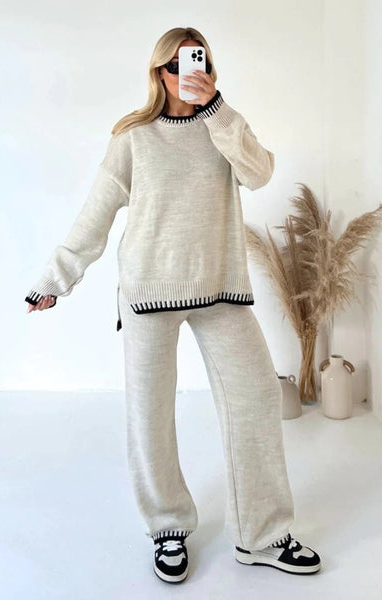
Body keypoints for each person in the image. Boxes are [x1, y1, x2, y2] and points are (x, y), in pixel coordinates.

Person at [25, 26, 321, 584]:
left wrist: (217, 110)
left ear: (208, 67)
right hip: (149, 292)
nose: (188, 73)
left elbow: (260, 173)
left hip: (220, 290)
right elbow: (96, 213)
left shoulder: (224, 127)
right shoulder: (133, 137)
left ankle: (261, 535)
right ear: (159, 73)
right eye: (177, 65)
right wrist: (55, 280)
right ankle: (167, 526)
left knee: (257, 398)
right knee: (151, 415)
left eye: (197, 61)